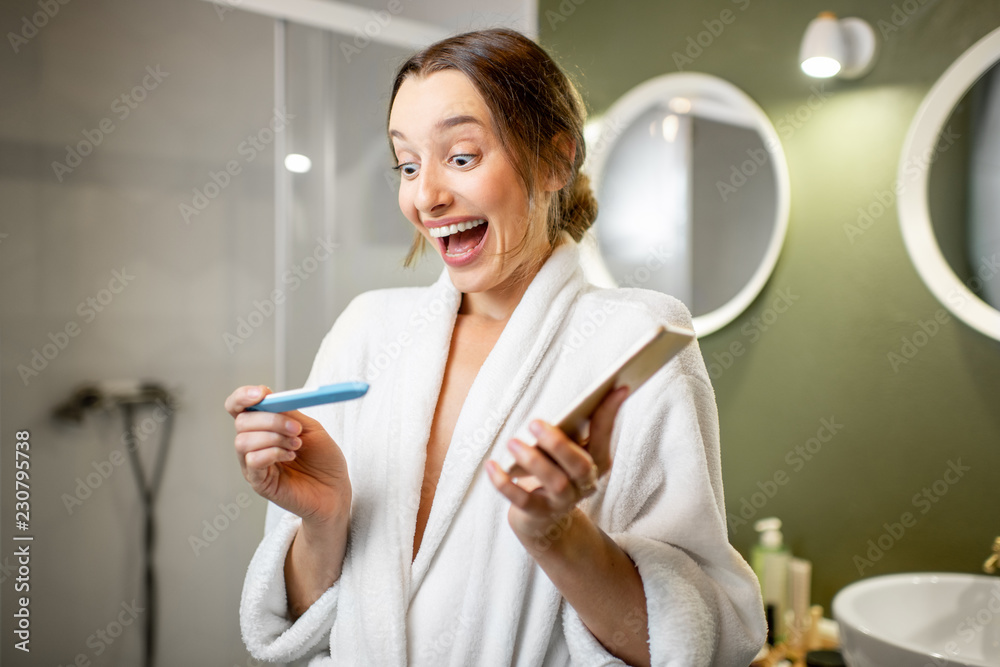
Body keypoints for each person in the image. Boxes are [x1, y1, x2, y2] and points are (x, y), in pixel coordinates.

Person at [226, 28, 765, 666]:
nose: (426, 196)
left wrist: (559, 536)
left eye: (461, 156)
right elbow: (299, 629)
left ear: (554, 161)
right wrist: (323, 518)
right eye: (407, 164)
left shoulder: (633, 340)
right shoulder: (366, 331)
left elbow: (703, 642)